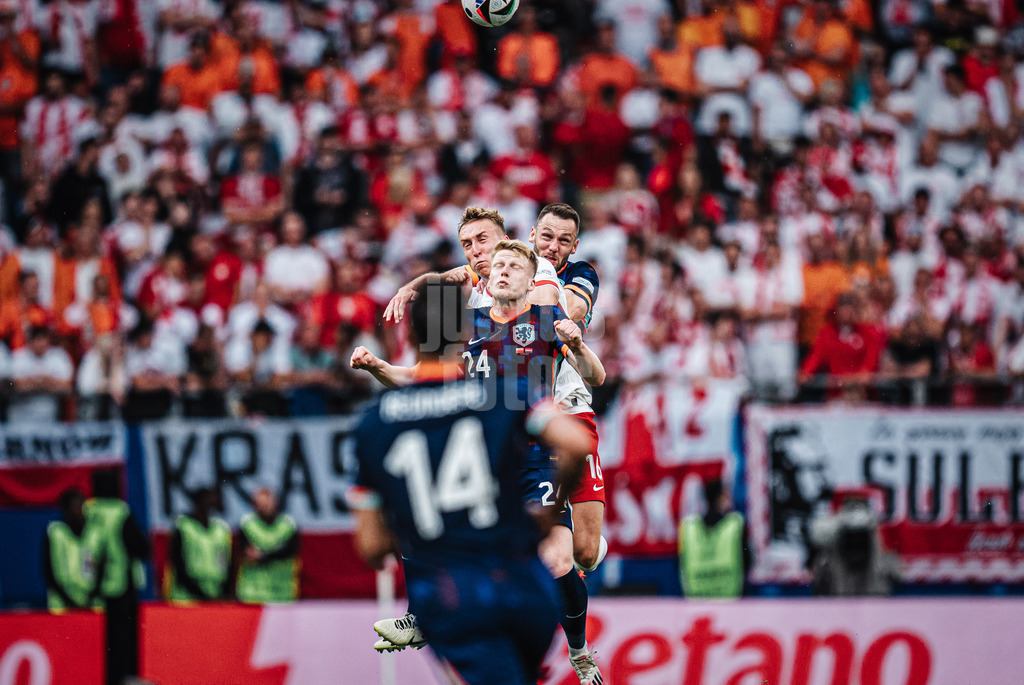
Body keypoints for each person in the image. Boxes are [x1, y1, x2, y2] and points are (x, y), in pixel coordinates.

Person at [359, 236, 606, 684]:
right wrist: (379, 367)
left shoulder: (547, 320)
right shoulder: (472, 337)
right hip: (493, 471)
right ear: (486, 280)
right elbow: (426, 380)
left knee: (564, 560)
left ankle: (579, 649)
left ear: (533, 280)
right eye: (497, 265)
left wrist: (581, 347)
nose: (503, 271)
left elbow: (596, 378)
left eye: (514, 264)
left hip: (535, 464)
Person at [85, 468, 150, 685]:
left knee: (104, 641)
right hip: (121, 583)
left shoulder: (89, 511)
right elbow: (139, 546)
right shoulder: (119, 511)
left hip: (93, 584)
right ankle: (126, 678)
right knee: (125, 639)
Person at [678, 479, 749, 598]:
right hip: (731, 601)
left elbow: (679, 564)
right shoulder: (735, 524)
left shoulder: (688, 528)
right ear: (721, 497)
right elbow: (747, 559)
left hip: (697, 600)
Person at [166, 487, 232, 602]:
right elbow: (177, 563)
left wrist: (223, 592)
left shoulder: (221, 529)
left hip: (215, 594)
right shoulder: (183, 526)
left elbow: (226, 563)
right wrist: (200, 594)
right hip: (187, 597)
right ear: (198, 502)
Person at [43, 488, 101, 612]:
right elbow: (48, 571)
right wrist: (69, 601)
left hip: (92, 604)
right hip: (62, 605)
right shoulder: (55, 532)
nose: (79, 510)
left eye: (81, 505)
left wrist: (90, 598)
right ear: (65, 508)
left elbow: (102, 567)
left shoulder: (95, 533)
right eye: (74, 505)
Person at [236, 488, 299, 604]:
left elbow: (290, 551)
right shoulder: (247, 525)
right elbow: (245, 552)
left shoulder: (288, 525)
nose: (265, 508)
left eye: (268, 504)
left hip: (282, 592)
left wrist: (264, 555)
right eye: (261, 505)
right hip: (253, 593)